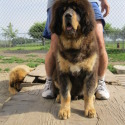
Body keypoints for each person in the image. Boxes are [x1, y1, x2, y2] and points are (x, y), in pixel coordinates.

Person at [42, 0, 110, 100]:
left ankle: (100, 82)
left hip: (87, 2)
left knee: (99, 41)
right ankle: (50, 82)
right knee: (54, 44)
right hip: (59, 2)